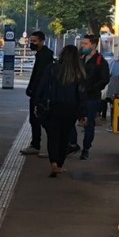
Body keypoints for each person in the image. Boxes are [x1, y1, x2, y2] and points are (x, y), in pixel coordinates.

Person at [36, 45, 87, 177]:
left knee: (53, 136)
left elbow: (41, 87)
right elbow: (81, 94)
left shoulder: (51, 68)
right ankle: (59, 164)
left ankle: (53, 163)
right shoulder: (78, 72)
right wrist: (83, 113)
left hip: (52, 107)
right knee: (64, 137)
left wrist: (37, 103)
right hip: (71, 109)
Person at [77, 34, 111, 160]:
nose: (82, 45)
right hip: (77, 95)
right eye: (82, 43)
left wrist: (92, 88)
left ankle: (86, 149)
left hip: (91, 97)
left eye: (85, 44)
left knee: (89, 123)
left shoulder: (100, 61)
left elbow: (105, 79)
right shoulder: (80, 58)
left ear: (93, 45)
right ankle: (72, 144)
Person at [21, 31, 54, 157]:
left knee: (39, 119)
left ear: (41, 41)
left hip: (40, 94)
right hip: (38, 92)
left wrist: (34, 90)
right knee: (36, 119)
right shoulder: (42, 54)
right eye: (31, 41)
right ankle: (37, 144)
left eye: (34, 41)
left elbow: (40, 76)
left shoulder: (44, 56)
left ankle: (39, 145)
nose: (31, 44)